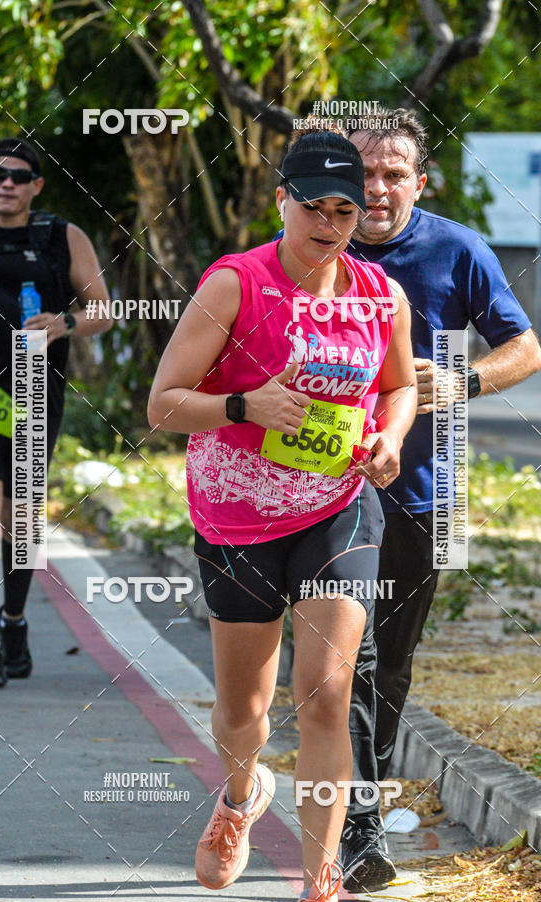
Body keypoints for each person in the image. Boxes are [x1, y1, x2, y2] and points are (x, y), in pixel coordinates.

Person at [148, 128, 417, 900]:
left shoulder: (379, 296)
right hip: (236, 518)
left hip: (337, 509)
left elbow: (399, 385)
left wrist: (390, 437)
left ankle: (321, 875)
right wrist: (244, 403)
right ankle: (240, 795)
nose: (330, 226)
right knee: (243, 714)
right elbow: (162, 405)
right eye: (315, 209)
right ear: (281, 202)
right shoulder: (235, 284)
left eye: (346, 211)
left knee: (328, 693)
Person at [334, 109, 541, 893]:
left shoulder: (457, 248)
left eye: (394, 174)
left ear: (420, 181)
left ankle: (366, 805)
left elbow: (525, 344)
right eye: (363, 172)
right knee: (339, 659)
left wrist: (466, 381)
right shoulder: (312, 244)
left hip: (420, 486)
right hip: (318, 488)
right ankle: (351, 819)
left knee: (389, 659)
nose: (376, 188)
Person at [0, 137, 112, 688]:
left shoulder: (62, 236)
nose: (6, 183)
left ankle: (14, 620)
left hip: (37, 390)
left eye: (19, 176)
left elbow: (104, 310)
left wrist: (65, 323)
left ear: (36, 186)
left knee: (23, 514)